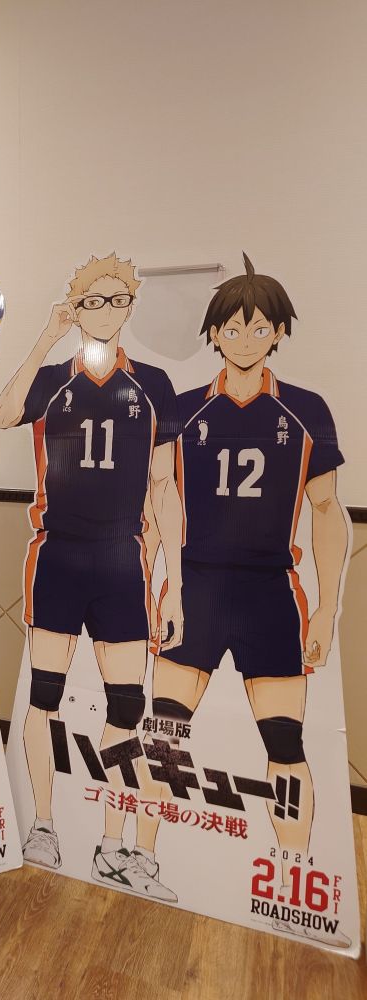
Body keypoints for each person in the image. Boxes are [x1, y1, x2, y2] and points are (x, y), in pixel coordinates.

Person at [149, 254, 350, 947]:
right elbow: (158, 503)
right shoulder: (182, 410)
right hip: (197, 587)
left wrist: (326, 608)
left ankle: (292, 873)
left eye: (259, 327)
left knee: (285, 743)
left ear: (278, 333)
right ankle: (140, 859)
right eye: (231, 327)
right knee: (164, 733)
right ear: (213, 333)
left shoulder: (306, 410)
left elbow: (327, 511)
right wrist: (159, 586)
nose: (244, 338)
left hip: (271, 592)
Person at [0, 253, 183, 900]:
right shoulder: (52, 379)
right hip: (60, 556)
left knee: (126, 707)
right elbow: (2, 414)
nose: (105, 311)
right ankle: (43, 826)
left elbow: (165, 486)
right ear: (75, 308)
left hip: (123, 562)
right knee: (43, 698)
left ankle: (111, 844)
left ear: (131, 305)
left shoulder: (154, 383)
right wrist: (46, 336)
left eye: (116, 299)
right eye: (91, 301)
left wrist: (175, 586)